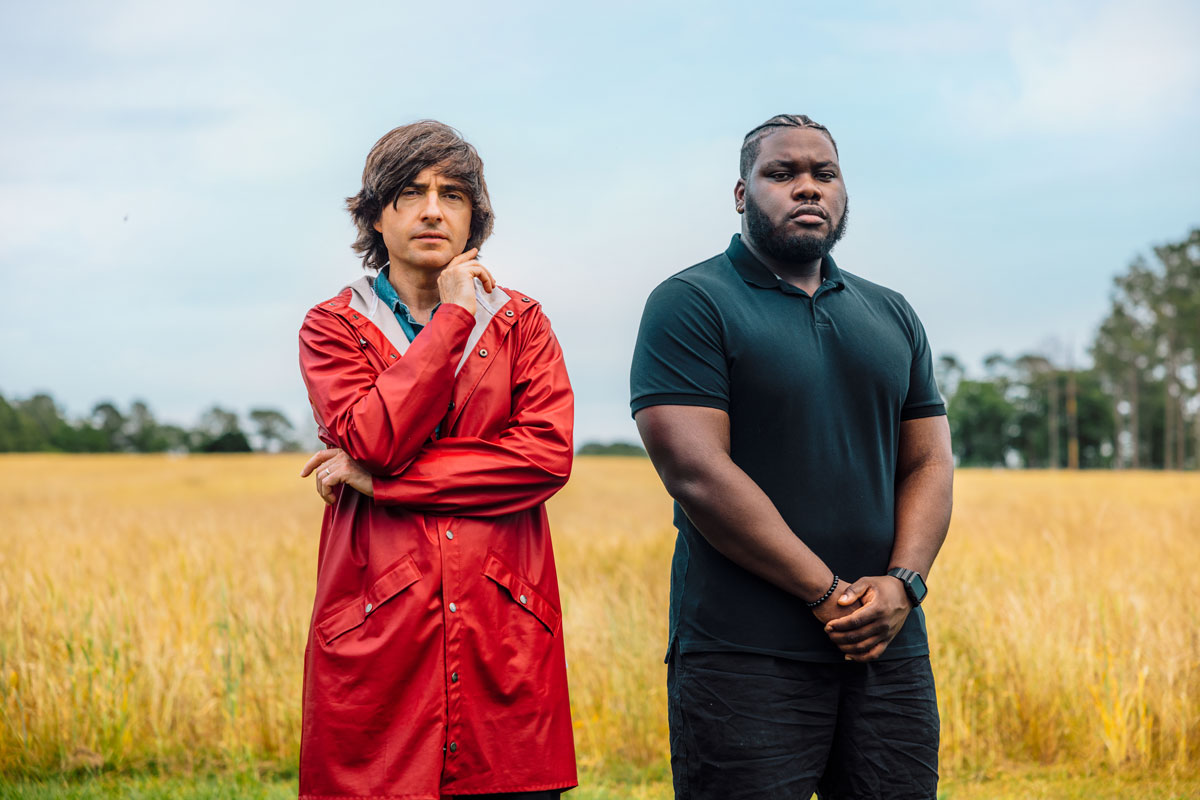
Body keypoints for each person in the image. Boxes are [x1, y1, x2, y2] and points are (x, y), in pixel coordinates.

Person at [630, 114, 954, 799]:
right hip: (743, 656)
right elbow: (697, 471)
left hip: (886, 648)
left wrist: (903, 584)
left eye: (823, 174)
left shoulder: (890, 313)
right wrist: (827, 593)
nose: (806, 188)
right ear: (743, 194)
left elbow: (928, 463)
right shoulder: (691, 303)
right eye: (782, 174)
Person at [296, 120, 577, 800]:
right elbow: (371, 439)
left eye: (452, 194)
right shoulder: (333, 325)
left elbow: (542, 460)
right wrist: (452, 317)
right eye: (411, 193)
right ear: (376, 215)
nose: (432, 210)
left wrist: (384, 485)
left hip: (502, 626)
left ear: (473, 217)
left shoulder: (521, 323)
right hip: (378, 629)